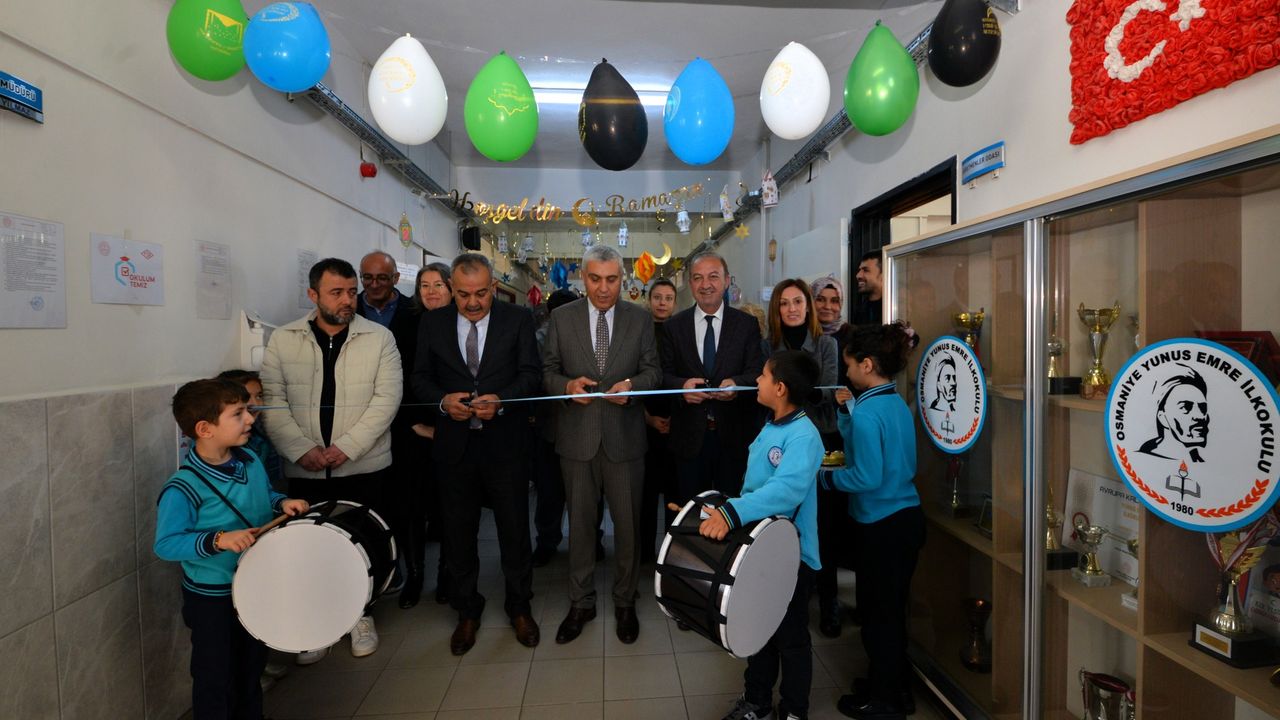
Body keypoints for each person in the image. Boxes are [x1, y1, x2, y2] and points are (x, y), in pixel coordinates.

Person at [260, 257, 402, 664]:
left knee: (362, 542)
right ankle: (319, 622)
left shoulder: (378, 338)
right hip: (305, 468)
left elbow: (386, 399)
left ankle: (361, 615)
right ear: (313, 294)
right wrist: (300, 449)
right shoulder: (284, 339)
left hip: (362, 465)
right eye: (336, 292)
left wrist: (347, 447)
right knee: (310, 547)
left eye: (352, 292)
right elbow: (272, 400)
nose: (347, 300)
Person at [154, 378, 309, 720]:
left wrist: (282, 503)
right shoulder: (183, 487)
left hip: (253, 586)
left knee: (250, 667)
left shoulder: (249, 460)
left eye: (247, 411)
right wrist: (218, 539)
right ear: (204, 429)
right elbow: (166, 544)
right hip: (213, 598)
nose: (250, 418)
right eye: (238, 414)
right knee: (215, 675)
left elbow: (264, 496)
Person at [411, 252, 542, 655]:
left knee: (514, 532)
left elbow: (532, 377)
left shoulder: (517, 319)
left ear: (494, 288)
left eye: (482, 294)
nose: (472, 303)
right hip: (455, 448)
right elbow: (419, 378)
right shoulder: (432, 323)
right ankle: (467, 610)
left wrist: (502, 401)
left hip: (506, 446)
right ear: (452, 289)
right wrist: (442, 401)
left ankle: (519, 607)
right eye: (464, 294)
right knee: (458, 534)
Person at [542, 245, 662, 645]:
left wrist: (633, 385)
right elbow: (547, 371)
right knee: (579, 528)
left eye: (612, 279)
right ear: (583, 277)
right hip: (577, 440)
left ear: (623, 279)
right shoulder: (562, 318)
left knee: (628, 528)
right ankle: (581, 602)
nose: (604, 288)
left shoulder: (640, 319)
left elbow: (653, 371)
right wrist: (565, 387)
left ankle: (626, 601)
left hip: (625, 439)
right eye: (595, 279)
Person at [701, 351, 824, 720]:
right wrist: (727, 508)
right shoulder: (772, 425)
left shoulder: (804, 436)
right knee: (759, 630)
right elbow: (756, 486)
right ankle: (756, 701)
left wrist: (732, 512)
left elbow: (785, 492)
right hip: (762, 550)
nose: (756, 379)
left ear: (780, 388)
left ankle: (794, 710)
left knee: (791, 639)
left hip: (792, 556)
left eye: (764, 375)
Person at [821, 322, 923, 720]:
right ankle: (894, 686)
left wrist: (825, 478)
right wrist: (847, 413)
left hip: (882, 526)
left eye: (849, 365)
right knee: (891, 612)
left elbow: (865, 477)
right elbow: (874, 448)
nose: (846, 373)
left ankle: (883, 701)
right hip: (906, 518)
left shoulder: (867, 413)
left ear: (867, 365)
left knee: (878, 617)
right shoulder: (892, 402)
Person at [762, 279, 844, 639]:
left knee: (823, 526)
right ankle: (782, 600)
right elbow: (774, 396)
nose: (792, 309)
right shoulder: (768, 346)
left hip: (820, 440)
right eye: (784, 303)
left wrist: (790, 394)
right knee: (783, 522)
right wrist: (800, 394)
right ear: (776, 309)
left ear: (808, 306)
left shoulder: (826, 344)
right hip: (780, 443)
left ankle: (829, 601)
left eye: (798, 301)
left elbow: (825, 391)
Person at [661, 251, 765, 504]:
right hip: (688, 440)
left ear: (727, 281)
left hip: (734, 437)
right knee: (689, 511)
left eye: (713, 277)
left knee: (731, 511)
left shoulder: (746, 325)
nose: (705, 284)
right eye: (698, 278)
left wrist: (736, 385)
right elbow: (662, 375)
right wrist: (682, 388)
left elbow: (757, 373)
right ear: (690, 284)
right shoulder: (673, 327)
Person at [355, 251, 426, 608]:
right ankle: (375, 572)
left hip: (406, 423)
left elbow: (422, 370)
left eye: (381, 278)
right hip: (357, 424)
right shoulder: (350, 310)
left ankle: (414, 573)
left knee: (409, 503)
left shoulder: (417, 314)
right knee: (368, 503)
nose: (374, 285)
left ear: (396, 279)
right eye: (367, 277)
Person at [396, 261, 454, 608]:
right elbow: (399, 379)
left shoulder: (462, 323)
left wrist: (443, 426)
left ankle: (447, 574)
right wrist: (416, 424)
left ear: (452, 288)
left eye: (438, 285)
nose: (431, 292)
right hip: (413, 429)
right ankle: (415, 575)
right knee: (412, 507)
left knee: (450, 507)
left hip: (453, 429)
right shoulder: (405, 324)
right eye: (424, 286)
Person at [808, 275, 859, 637]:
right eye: (821, 299)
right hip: (805, 437)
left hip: (838, 439)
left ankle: (830, 603)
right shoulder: (805, 337)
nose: (827, 306)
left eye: (834, 300)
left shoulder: (852, 338)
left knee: (830, 524)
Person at [531, 288, 581, 567]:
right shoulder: (541, 338)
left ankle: (548, 543)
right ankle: (586, 542)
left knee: (552, 491)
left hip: (557, 424)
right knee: (564, 490)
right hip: (555, 423)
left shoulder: (542, 334)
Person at [643, 278, 678, 551]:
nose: (662, 303)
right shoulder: (639, 331)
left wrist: (675, 417)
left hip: (677, 421)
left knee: (674, 492)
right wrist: (647, 418)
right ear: (649, 300)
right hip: (642, 421)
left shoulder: (681, 331)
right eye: (657, 297)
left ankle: (670, 551)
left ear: (674, 302)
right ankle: (644, 551)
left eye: (668, 298)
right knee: (645, 491)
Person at [214, 369, 282, 490]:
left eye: (259, 396)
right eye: (246, 396)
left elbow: (269, 486)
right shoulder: (216, 442)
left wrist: (279, 499)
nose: (255, 403)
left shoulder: (260, 438)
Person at [1138, 363, 1210, 463]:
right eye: (1185, 407)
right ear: (1162, 418)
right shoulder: (1142, 460)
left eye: (1203, 408)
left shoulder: (1200, 461)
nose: (1200, 416)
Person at [851, 251, 883, 327]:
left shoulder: (895, 307)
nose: (858, 275)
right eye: (859, 270)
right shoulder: (861, 310)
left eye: (866, 270)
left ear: (883, 275)